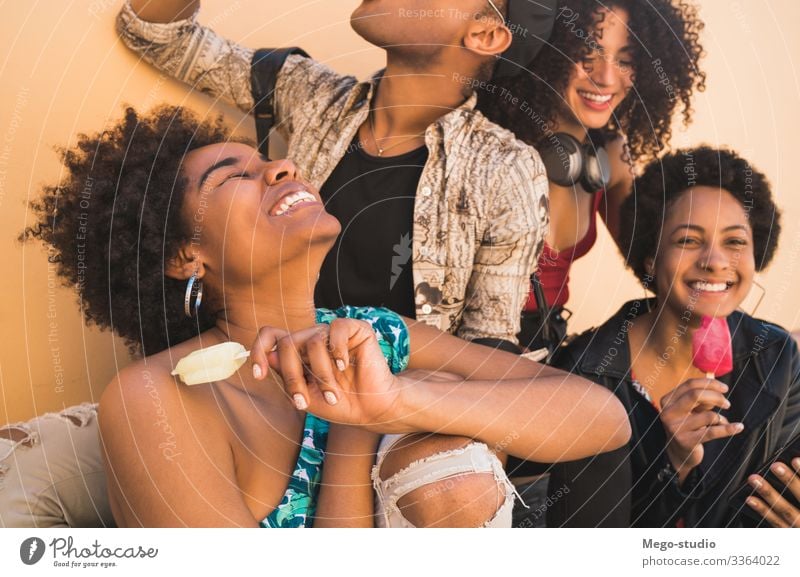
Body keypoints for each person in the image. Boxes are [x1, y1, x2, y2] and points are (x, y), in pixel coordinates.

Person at [23, 106, 630, 528]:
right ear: (187, 256)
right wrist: (353, 427)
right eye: (231, 175)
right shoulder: (158, 395)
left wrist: (399, 402)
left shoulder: (378, 333)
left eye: (266, 159)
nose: (280, 169)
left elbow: (604, 420)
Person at [115, 0, 550, 352]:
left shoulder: (507, 169)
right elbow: (155, 33)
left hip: (387, 432)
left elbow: (488, 357)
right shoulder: (312, 94)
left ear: (485, 34)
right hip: (258, 395)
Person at [552, 146, 799, 527]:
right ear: (651, 256)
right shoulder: (587, 374)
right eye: (688, 240)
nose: (715, 261)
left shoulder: (777, 356)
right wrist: (675, 462)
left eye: (735, 242)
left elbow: (771, 502)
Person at [478, 0, 706, 352]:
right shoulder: (487, 147)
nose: (606, 77)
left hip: (549, 348)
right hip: (474, 349)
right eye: (586, 55)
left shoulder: (611, 156)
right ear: (546, 50)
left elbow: (657, 266)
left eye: (626, 60)